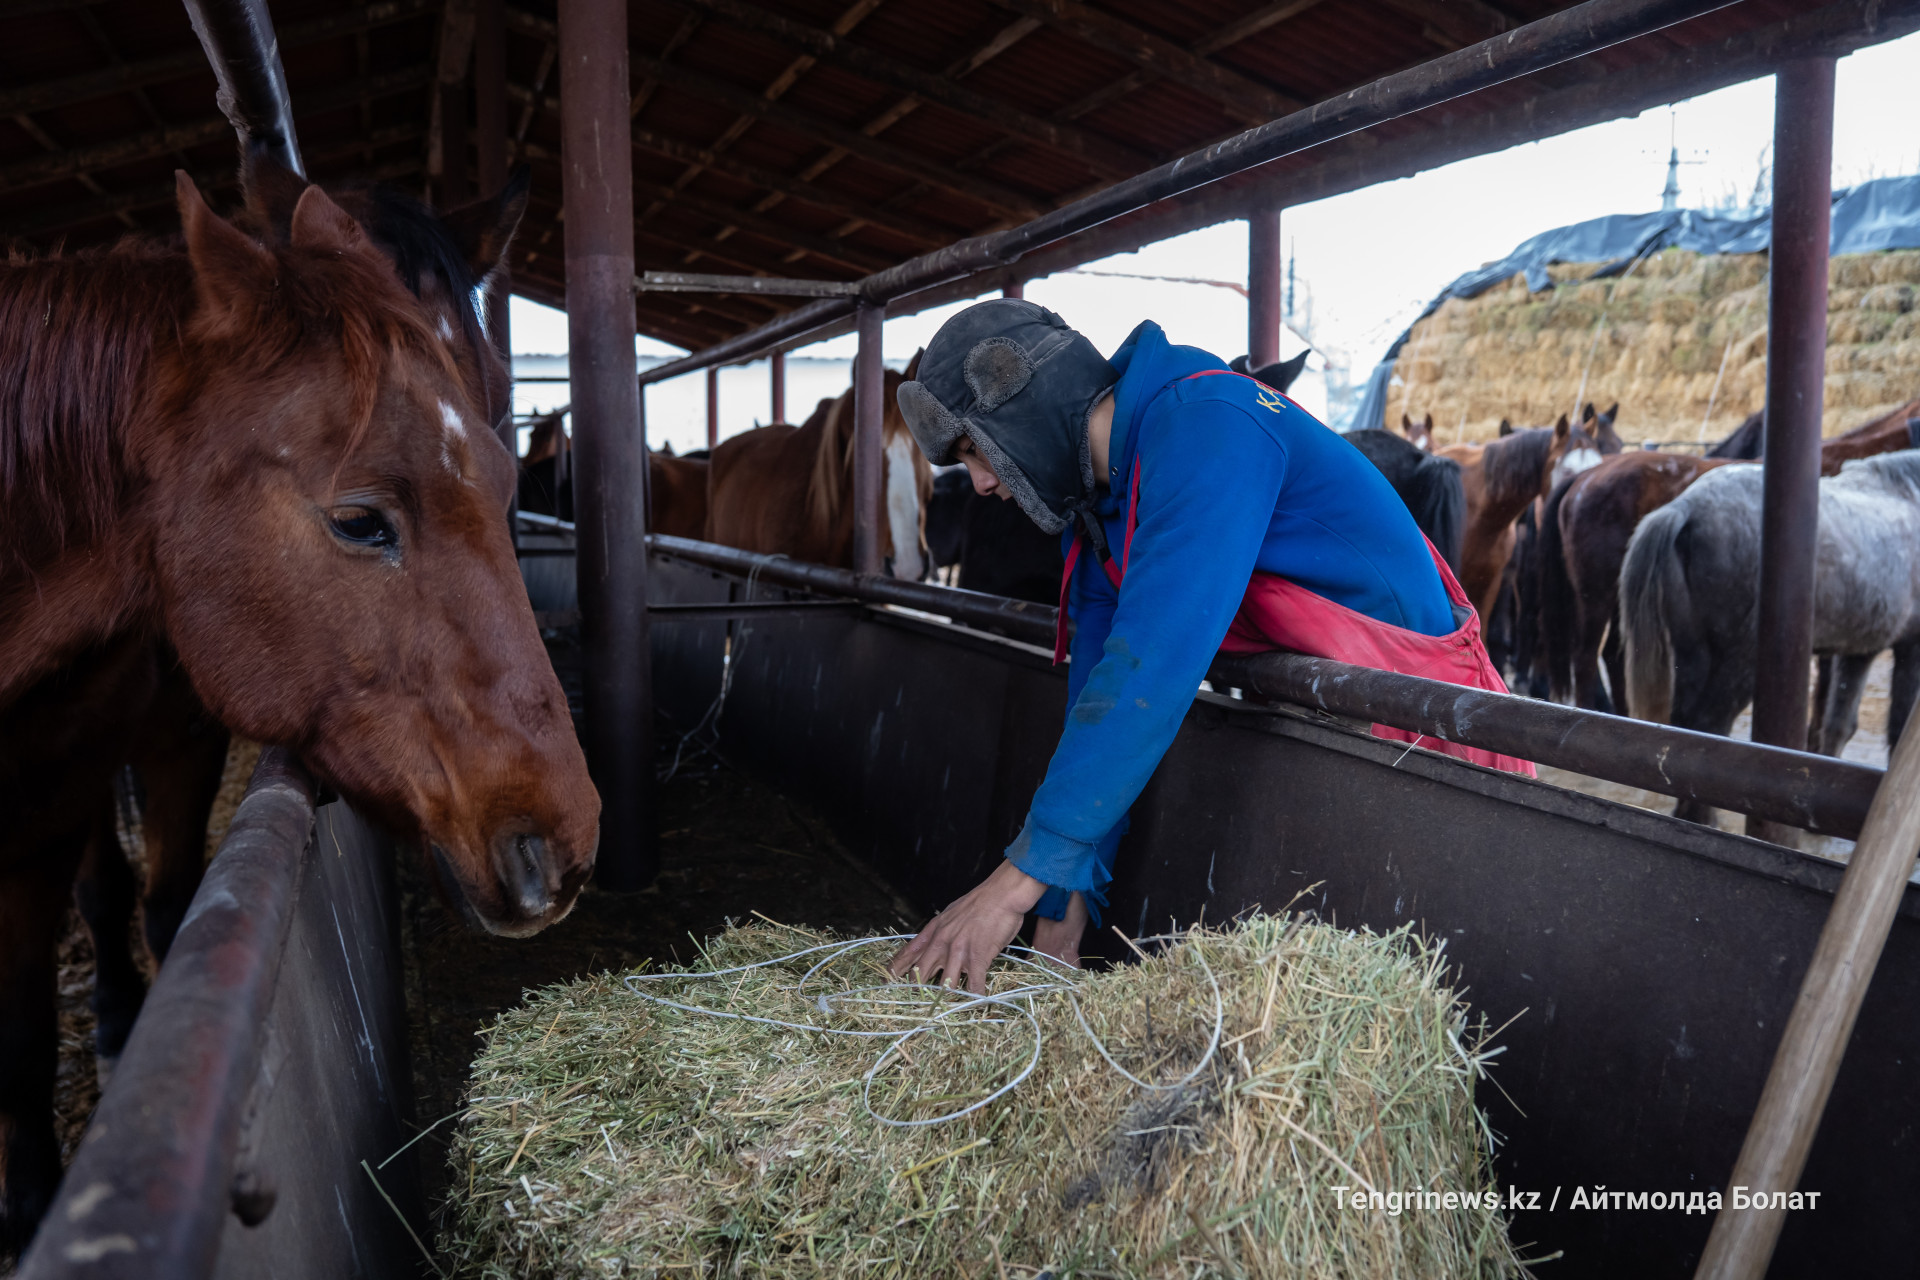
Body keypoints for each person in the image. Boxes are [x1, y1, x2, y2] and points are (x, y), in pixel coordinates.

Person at [886, 299, 1531, 994]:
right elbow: (1100, 708)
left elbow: (1151, 670)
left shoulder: (1210, 424)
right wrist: (1056, 937)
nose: (980, 484)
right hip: (1337, 730)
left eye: (976, 450)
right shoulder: (1102, 515)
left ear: (1025, 402)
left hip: (1427, 736)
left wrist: (1007, 891)